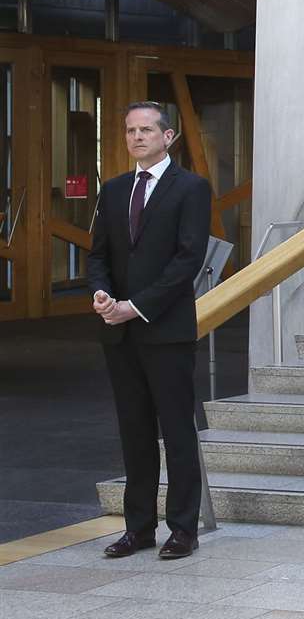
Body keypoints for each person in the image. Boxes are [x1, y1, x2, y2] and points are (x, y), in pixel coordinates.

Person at [87, 101, 213, 560]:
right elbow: (98, 254)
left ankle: (183, 529)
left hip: (166, 330)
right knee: (134, 432)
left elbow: (188, 259)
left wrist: (135, 307)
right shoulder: (114, 189)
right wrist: (101, 295)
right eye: (129, 130)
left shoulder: (191, 188)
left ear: (168, 136)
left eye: (146, 130)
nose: (136, 137)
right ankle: (138, 528)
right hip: (118, 334)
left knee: (177, 431)